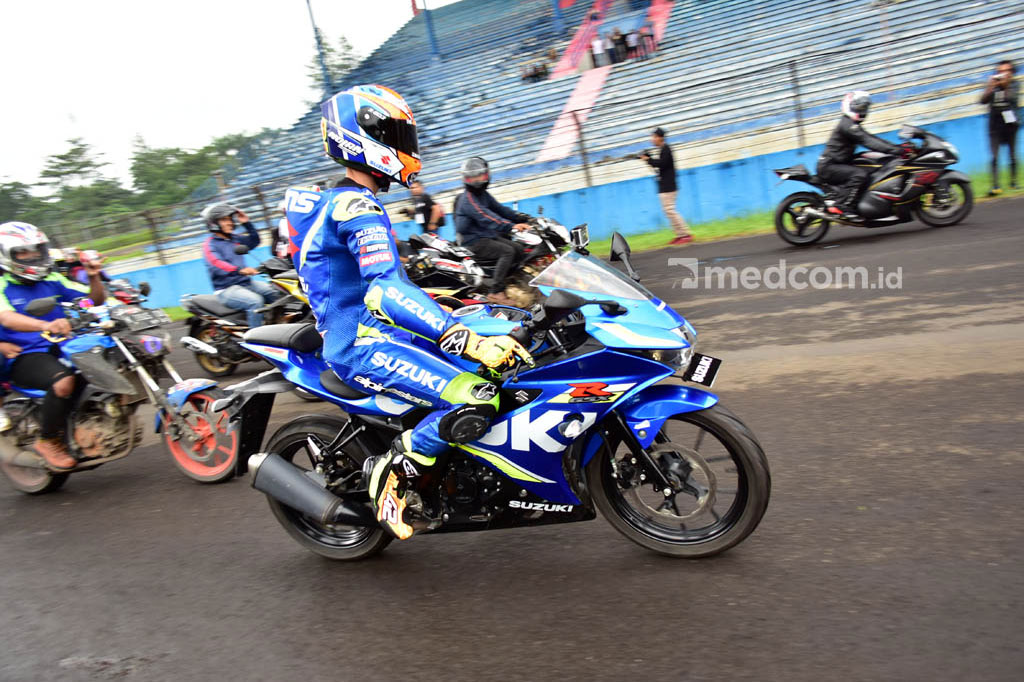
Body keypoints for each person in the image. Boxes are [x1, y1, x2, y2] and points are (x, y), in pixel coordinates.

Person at [285, 84, 533, 540]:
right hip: (361, 344)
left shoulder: (335, 201)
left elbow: (374, 282)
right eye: (398, 135)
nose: (408, 147)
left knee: (503, 360)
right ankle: (392, 471)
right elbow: (382, 290)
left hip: (380, 333)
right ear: (363, 138)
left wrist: (457, 310)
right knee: (477, 395)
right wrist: (465, 337)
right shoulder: (355, 207)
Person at [0, 222, 106, 470]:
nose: (33, 256)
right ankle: (48, 440)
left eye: (37, 249)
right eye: (23, 252)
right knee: (63, 382)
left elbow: (90, 302)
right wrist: (43, 326)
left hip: (64, 344)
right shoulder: (3, 285)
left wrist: (93, 275)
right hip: (25, 353)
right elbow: (5, 317)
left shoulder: (52, 279)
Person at [817, 91, 906, 221]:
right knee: (859, 175)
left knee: (869, 166)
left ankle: (862, 204)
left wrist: (897, 148)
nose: (862, 110)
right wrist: (896, 150)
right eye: (859, 107)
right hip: (830, 166)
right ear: (849, 105)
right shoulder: (848, 125)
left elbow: (871, 138)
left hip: (837, 163)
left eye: (864, 107)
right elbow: (868, 141)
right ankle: (842, 205)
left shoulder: (851, 124)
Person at [453, 156, 532, 305]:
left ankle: (511, 282)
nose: (476, 180)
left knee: (519, 248)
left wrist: (522, 218)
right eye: (472, 177)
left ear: (486, 175)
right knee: (507, 251)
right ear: (466, 178)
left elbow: (500, 209)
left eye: (479, 175)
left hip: (486, 236)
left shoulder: (483, 195)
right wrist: (511, 226)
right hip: (473, 242)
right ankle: (496, 292)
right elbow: (486, 216)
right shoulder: (467, 199)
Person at [201, 202, 280, 328]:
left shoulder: (235, 239)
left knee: (279, 294)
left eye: (230, 219)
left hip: (247, 284)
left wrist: (246, 223)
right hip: (227, 289)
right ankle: (255, 340)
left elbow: (254, 241)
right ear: (213, 223)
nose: (230, 222)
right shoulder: (210, 244)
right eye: (224, 220)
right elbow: (216, 264)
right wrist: (239, 270)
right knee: (255, 302)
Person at [640, 127, 692, 245]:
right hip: (664, 185)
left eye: (654, 137)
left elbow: (661, 164)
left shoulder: (667, 149)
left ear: (660, 138)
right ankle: (680, 235)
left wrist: (648, 159)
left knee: (670, 210)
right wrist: (649, 160)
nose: (652, 139)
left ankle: (686, 234)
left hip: (669, 186)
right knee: (668, 211)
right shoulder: (663, 150)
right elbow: (659, 165)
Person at [980, 59, 1019, 196]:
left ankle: (1014, 182)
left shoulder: (1014, 84)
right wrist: (991, 86)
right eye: (1000, 71)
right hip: (995, 123)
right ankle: (996, 186)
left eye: (1005, 71)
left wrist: (1006, 85)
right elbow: (982, 100)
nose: (1002, 74)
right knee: (994, 156)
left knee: (1012, 154)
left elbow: (1012, 99)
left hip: (1010, 123)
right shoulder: (993, 85)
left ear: (1012, 72)